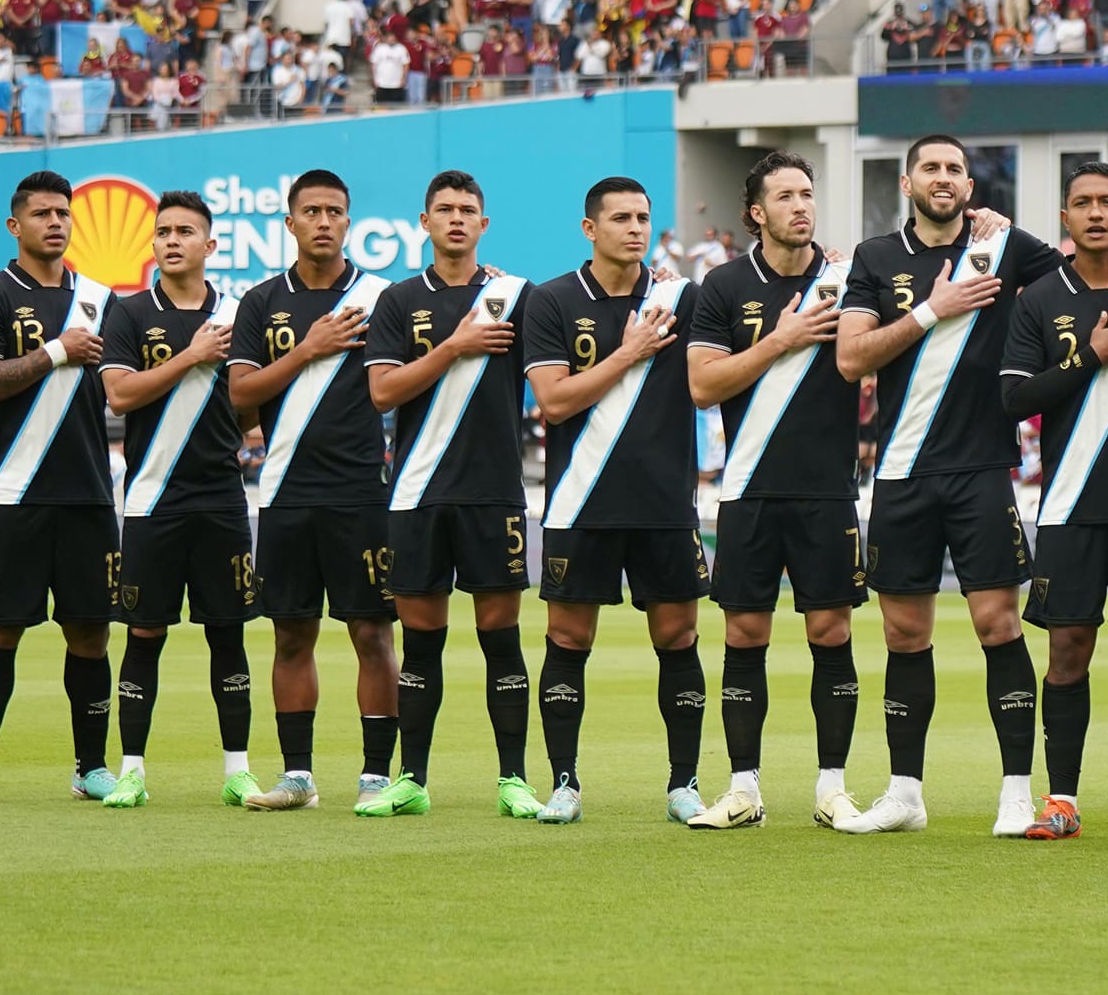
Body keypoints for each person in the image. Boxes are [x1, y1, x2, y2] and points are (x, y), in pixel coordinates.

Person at [834, 134, 1108, 837]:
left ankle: (1018, 793)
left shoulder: (1009, 246)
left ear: (969, 183)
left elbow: (1096, 267)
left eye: (956, 168)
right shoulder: (874, 259)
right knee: (903, 633)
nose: (944, 177)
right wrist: (934, 308)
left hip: (982, 468)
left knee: (999, 624)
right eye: (931, 167)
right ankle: (905, 791)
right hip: (899, 470)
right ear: (907, 182)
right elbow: (851, 358)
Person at [681, 152, 864, 830]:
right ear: (756, 212)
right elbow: (703, 386)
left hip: (826, 490)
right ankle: (744, 789)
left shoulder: (849, 279)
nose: (801, 206)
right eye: (785, 196)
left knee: (831, 628)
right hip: (748, 489)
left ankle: (832, 788)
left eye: (808, 193)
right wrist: (781, 340)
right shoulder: (723, 287)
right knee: (744, 631)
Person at [520, 177, 709, 825]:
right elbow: (554, 400)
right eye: (621, 217)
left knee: (678, 636)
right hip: (580, 503)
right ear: (589, 228)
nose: (635, 227)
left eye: (644, 217)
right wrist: (629, 352)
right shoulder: (551, 300)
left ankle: (684, 784)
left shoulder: (683, 301)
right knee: (568, 638)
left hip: (665, 503)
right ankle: (566, 783)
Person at [1000, 161, 1108, 840]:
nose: (1097, 212)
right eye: (1083, 203)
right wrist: (1091, 356)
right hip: (1068, 503)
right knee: (1068, 648)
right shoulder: (1040, 299)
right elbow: (1015, 397)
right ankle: (1063, 799)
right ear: (1065, 220)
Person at [362, 171, 543, 820]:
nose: (457, 218)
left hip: (495, 493)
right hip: (416, 494)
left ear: (484, 223)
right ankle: (411, 778)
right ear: (425, 220)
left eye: (469, 209)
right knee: (420, 641)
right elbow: (383, 392)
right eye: (445, 209)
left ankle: (514, 779)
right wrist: (457, 345)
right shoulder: (397, 299)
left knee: (502, 637)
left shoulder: (515, 299)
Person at [229, 169, 402, 813]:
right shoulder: (260, 303)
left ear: (349, 222)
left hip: (361, 492)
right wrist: (308, 350)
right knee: (290, 634)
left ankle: (377, 776)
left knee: (372, 633)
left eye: (334, 211)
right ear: (290, 223)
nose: (323, 222)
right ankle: (297, 776)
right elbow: (239, 397)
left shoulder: (384, 296)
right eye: (311, 211)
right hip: (283, 495)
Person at [0, 172, 119, 805]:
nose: (56, 222)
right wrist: (55, 352)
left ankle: (90, 767)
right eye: (42, 213)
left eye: (63, 213)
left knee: (91, 634)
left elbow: (124, 389)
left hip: (90, 495)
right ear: (15, 226)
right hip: (13, 493)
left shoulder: (103, 300)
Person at [94, 191, 260, 808]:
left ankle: (237, 770)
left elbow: (254, 399)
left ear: (209, 245)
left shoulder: (241, 314)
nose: (171, 240)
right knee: (144, 635)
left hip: (220, 500)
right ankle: (132, 770)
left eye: (185, 231)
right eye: (162, 231)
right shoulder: (131, 314)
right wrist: (192, 358)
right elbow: (120, 395)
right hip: (151, 501)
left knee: (229, 635)